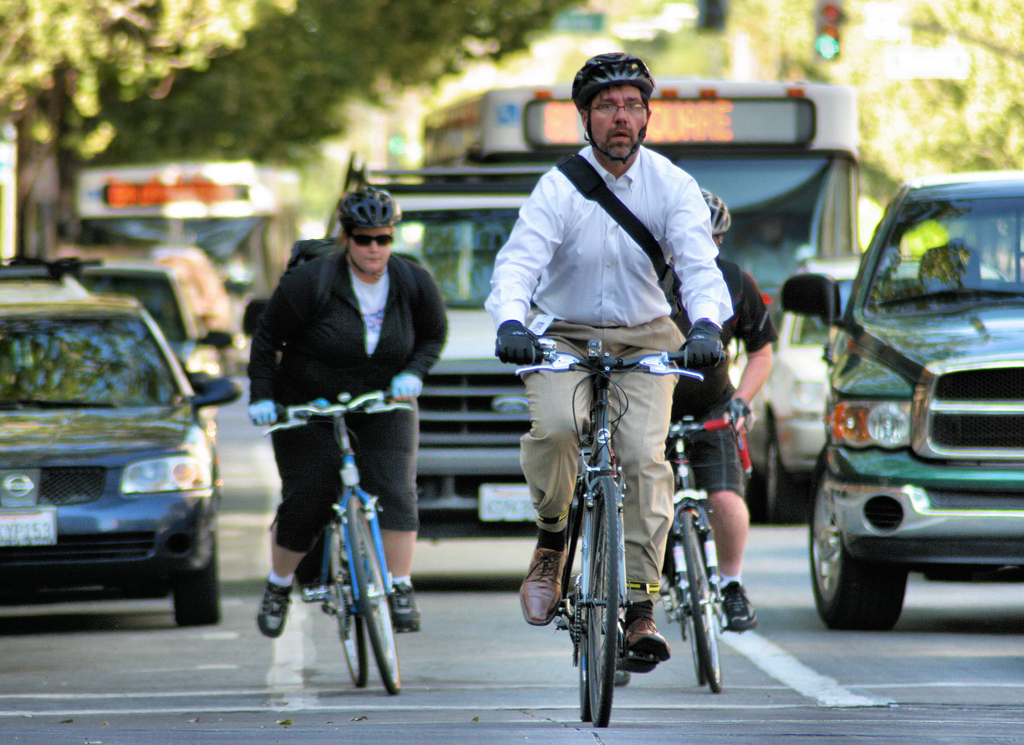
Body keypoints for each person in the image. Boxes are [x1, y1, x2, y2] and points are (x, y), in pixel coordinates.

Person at [485, 52, 732, 674]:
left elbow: (700, 267)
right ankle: (550, 542)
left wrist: (704, 325)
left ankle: (642, 607)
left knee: (646, 460)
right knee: (559, 429)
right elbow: (518, 263)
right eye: (606, 106)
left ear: (647, 117)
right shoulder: (559, 186)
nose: (619, 117)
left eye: (631, 105)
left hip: (647, 334)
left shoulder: (672, 186)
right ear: (585, 119)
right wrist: (511, 322)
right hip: (563, 333)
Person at [247, 186, 448, 638]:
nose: (374, 248)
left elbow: (434, 334)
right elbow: (266, 340)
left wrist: (414, 372)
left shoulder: (412, 280)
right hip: (307, 403)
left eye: (383, 238)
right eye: (364, 239)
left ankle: (400, 587)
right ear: (346, 238)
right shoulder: (312, 282)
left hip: (382, 401)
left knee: (396, 490)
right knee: (310, 496)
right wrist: (262, 397)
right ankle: (279, 586)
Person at [669, 189, 777, 632]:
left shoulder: (734, 281)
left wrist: (740, 401)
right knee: (642, 504)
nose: (704, 249)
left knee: (726, 500)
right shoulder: (645, 279)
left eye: (714, 240)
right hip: (645, 407)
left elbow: (761, 352)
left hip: (711, 406)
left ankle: (731, 585)